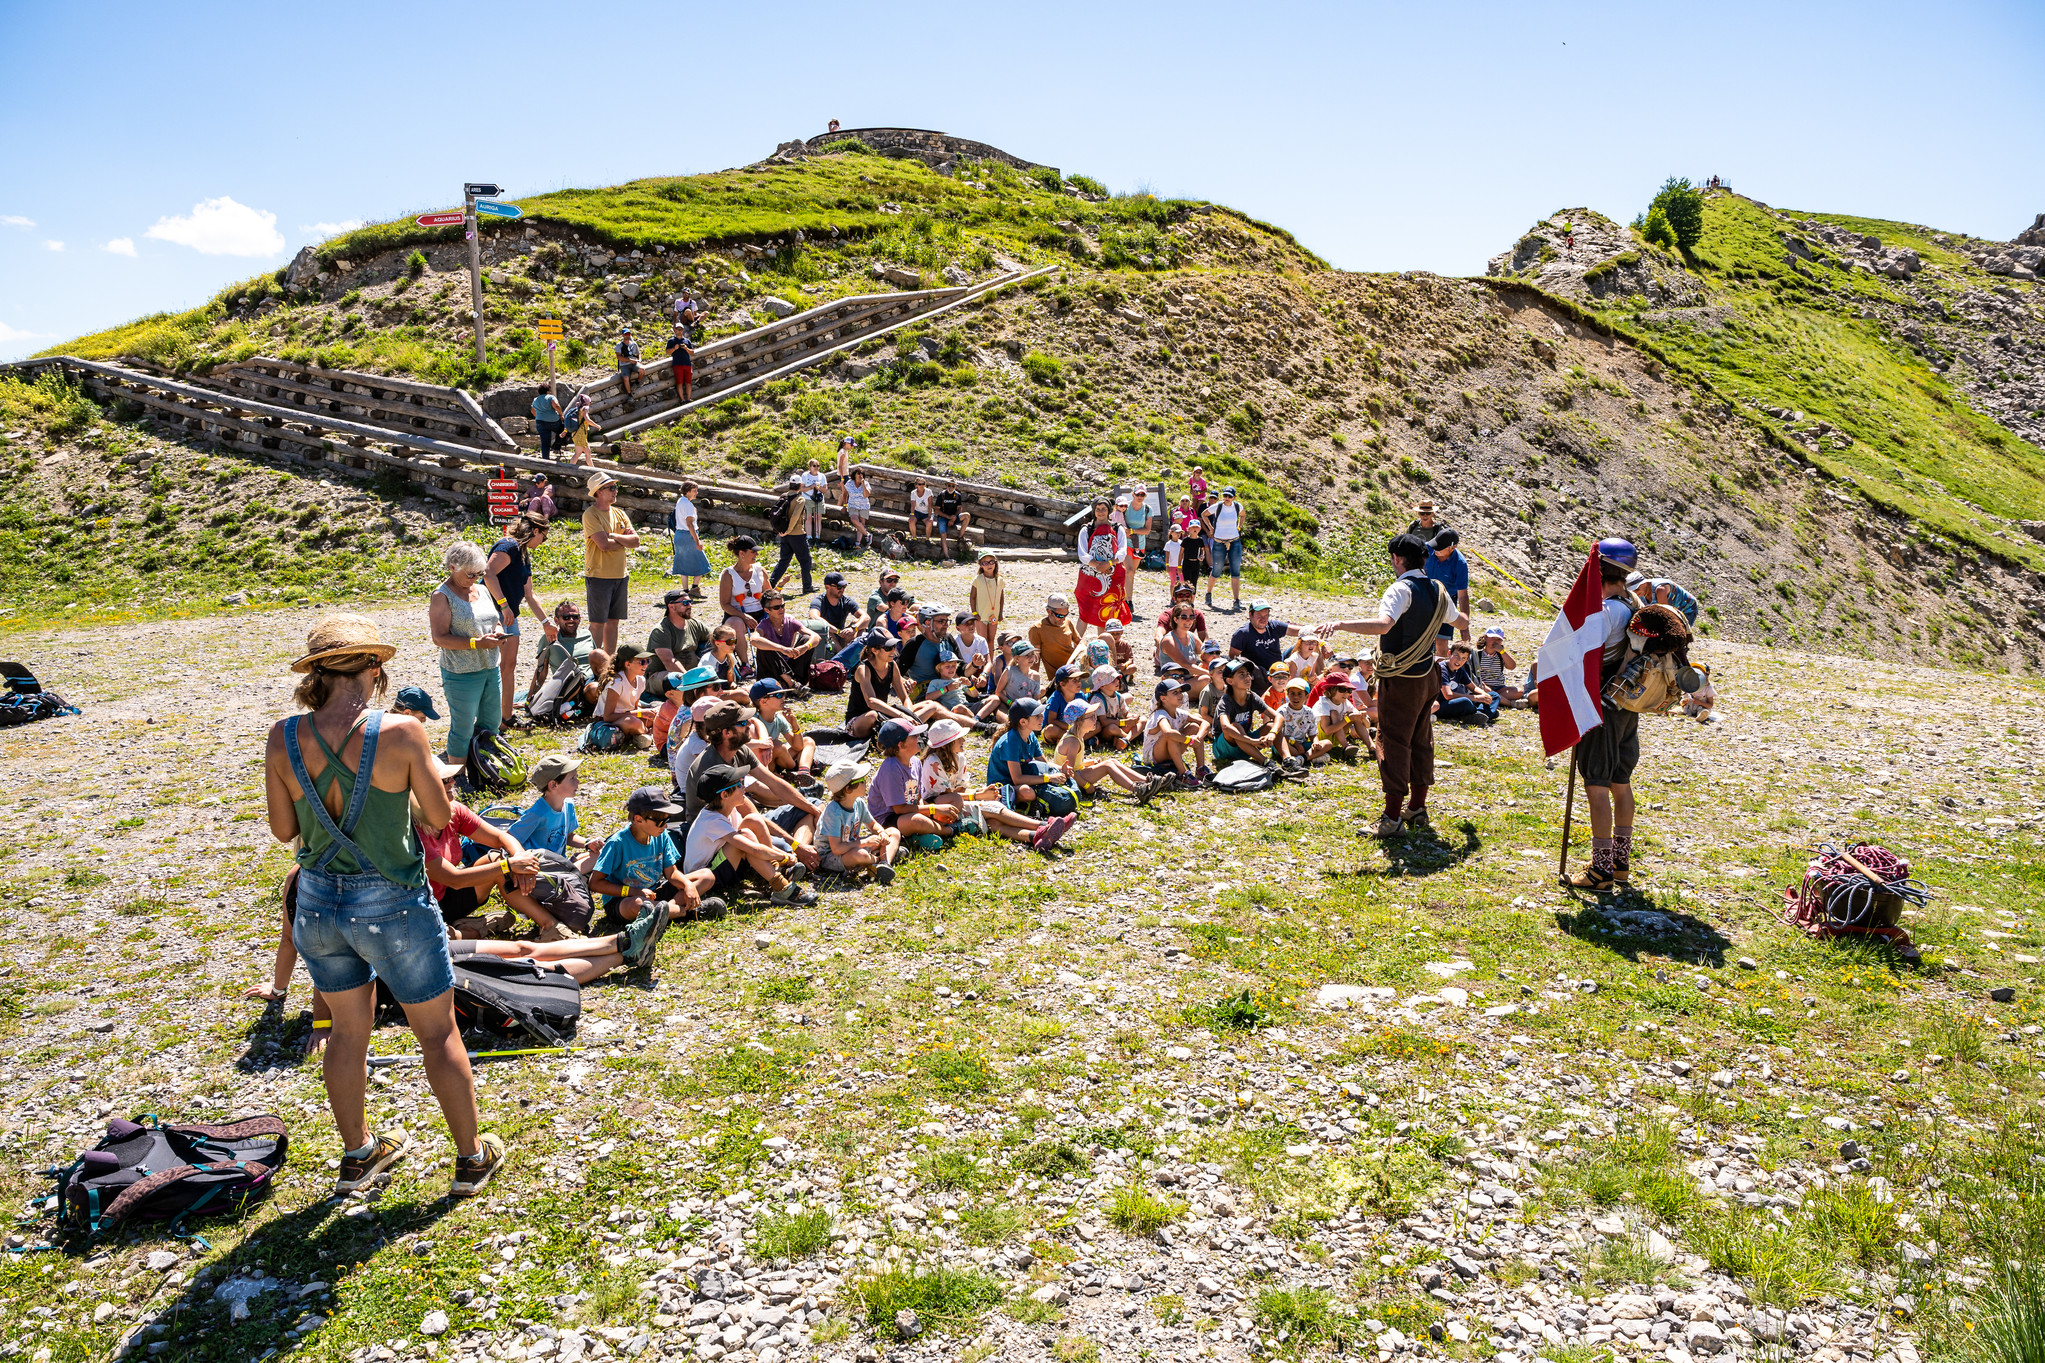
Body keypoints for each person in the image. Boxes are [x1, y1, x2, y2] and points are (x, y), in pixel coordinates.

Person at [262, 615, 506, 1198]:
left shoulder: (282, 736)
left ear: (317, 673)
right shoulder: (401, 731)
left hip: (318, 900)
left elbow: (283, 829)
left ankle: (358, 1155)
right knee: (437, 1032)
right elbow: (439, 817)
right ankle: (471, 1158)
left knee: (348, 1031)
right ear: (375, 669)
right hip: (392, 899)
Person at [1317, 533, 1464, 837]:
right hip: (1429, 675)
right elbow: (1460, 622)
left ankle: (1392, 817)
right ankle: (1417, 807)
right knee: (1422, 738)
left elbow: (1384, 625)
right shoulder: (1438, 589)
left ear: (1397, 559)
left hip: (1402, 679)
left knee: (1394, 741)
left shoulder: (1400, 589)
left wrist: (1341, 624)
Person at [1568, 539, 1649, 892]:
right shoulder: (1635, 604)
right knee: (1620, 780)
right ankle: (1619, 864)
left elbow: (1582, 652)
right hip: (1626, 703)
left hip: (1602, 702)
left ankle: (1600, 871)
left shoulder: (1607, 611)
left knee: (1596, 783)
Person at [416, 759, 550, 938]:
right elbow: (454, 879)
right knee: (447, 938)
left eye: (451, 777)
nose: (453, 782)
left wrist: (519, 857)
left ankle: (550, 926)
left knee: (496, 860)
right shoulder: (413, 833)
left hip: (448, 896)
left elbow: (500, 838)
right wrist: (510, 865)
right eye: (444, 780)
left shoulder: (454, 811)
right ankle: (469, 931)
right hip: (424, 910)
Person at [917, 718, 1069, 849]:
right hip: (940, 808)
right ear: (945, 745)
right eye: (958, 739)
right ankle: (1043, 826)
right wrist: (978, 796)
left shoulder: (959, 758)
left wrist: (981, 794)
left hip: (956, 802)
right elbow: (947, 796)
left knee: (993, 823)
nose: (963, 740)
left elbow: (961, 790)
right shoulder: (933, 763)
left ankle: (1033, 836)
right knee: (993, 807)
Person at [684, 765, 817, 905]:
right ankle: (782, 889)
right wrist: (782, 856)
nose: (744, 788)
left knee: (753, 820)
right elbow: (753, 849)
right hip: (708, 877)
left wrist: (781, 854)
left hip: (723, 863)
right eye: (739, 784)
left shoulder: (729, 809)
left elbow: (754, 843)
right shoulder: (712, 821)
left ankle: (773, 869)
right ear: (725, 795)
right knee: (746, 836)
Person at [428, 542, 506, 766]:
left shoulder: (482, 590)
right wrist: (476, 644)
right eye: (470, 574)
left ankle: (486, 767)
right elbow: (439, 638)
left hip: (490, 666)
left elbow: (495, 620)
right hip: (461, 672)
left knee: (492, 721)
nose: (474, 579)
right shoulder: (441, 596)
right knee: (462, 727)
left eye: (479, 574)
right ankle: (457, 775)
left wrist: (499, 631)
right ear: (452, 568)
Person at [591, 786, 717, 921]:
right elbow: (595, 883)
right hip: (624, 899)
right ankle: (688, 913)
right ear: (638, 819)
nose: (665, 826)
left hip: (654, 892)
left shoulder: (661, 835)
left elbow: (672, 873)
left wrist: (688, 885)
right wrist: (633, 892)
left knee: (707, 876)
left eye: (667, 820)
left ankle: (666, 911)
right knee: (638, 905)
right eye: (661, 822)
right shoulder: (617, 843)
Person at [484, 515, 549, 727]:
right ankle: (489, 717)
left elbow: (529, 594)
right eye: (544, 536)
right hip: (492, 613)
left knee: (509, 665)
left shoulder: (523, 554)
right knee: (490, 667)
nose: (543, 542)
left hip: (509, 615)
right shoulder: (508, 546)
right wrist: (503, 605)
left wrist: (546, 622)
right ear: (535, 531)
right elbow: (488, 573)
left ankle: (507, 717)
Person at [845, 630, 949, 739]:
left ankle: (904, 727)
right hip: (859, 721)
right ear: (874, 650)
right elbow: (871, 701)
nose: (893, 651)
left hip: (882, 715)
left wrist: (909, 714)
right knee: (873, 715)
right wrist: (902, 715)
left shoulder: (892, 665)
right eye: (888, 648)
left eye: (894, 646)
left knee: (930, 705)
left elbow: (904, 698)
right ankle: (902, 729)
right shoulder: (863, 669)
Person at [581, 472, 640, 657]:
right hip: (599, 575)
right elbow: (603, 545)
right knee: (598, 623)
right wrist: (623, 540)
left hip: (620, 575)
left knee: (613, 621)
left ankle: (609, 660)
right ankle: (593, 661)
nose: (615, 491)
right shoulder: (591, 514)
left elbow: (636, 541)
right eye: (611, 488)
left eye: (616, 487)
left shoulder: (620, 513)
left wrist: (613, 535)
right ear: (599, 492)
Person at [815, 760, 900, 882]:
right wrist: (865, 842)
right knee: (859, 855)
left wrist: (881, 832)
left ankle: (885, 863)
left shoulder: (858, 803)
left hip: (852, 845)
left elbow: (873, 825)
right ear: (848, 789)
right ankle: (879, 859)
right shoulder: (833, 812)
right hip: (832, 857)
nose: (866, 782)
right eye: (862, 780)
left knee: (893, 832)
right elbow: (836, 849)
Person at [506, 753, 592, 860]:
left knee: (600, 853)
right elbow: (508, 838)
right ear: (553, 785)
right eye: (572, 778)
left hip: (560, 863)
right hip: (541, 866)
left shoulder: (568, 805)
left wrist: (588, 843)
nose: (578, 781)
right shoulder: (537, 813)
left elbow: (568, 836)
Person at [1074, 498, 1132, 634]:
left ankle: (1103, 644)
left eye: (1104, 509)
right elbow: (1082, 553)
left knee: (1105, 613)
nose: (1101, 512)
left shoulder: (1118, 528)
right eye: (1098, 509)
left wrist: (1108, 563)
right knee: (1084, 612)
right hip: (1090, 577)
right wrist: (1097, 565)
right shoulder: (1086, 530)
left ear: (1109, 510)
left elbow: (1122, 552)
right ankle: (1076, 644)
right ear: (1094, 511)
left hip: (1113, 576)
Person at [646, 588, 712, 702]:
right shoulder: (661, 631)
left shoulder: (694, 624)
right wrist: (691, 681)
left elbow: (715, 639)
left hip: (689, 674)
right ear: (671, 606)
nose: (690, 605)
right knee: (675, 679)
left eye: (690, 601)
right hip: (661, 676)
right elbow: (669, 661)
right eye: (685, 603)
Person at [589, 642, 657, 751]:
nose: (646, 665)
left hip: (626, 716)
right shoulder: (617, 683)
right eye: (642, 662)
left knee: (658, 715)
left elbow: (634, 707)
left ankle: (642, 734)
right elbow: (608, 717)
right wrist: (640, 713)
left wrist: (647, 713)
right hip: (608, 722)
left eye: (647, 661)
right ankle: (647, 734)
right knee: (633, 722)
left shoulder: (641, 680)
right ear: (628, 664)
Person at [1211, 658, 1277, 768]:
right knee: (1235, 726)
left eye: (1248, 674)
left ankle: (1287, 760)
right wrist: (1251, 741)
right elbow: (1225, 727)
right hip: (1224, 750)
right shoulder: (1226, 701)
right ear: (1230, 681)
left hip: (1245, 746)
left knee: (1272, 725)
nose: (1247, 678)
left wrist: (1272, 733)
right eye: (1241, 675)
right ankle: (1265, 762)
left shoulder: (1252, 697)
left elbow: (1278, 717)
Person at [1229, 600, 1304, 694]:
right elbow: (1233, 657)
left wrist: (1316, 631)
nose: (1263, 619)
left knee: (1306, 643)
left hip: (1278, 664)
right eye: (1259, 616)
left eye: (1266, 615)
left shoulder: (1273, 626)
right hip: (1260, 673)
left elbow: (1300, 631)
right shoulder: (1243, 633)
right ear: (1250, 615)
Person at [1142, 678, 1206, 787]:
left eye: (1180, 692)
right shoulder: (1160, 714)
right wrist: (1189, 740)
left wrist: (1198, 737)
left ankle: (1201, 768)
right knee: (1171, 735)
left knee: (1194, 727)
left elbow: (1205, 723)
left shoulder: (1179, 712)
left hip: (1170, 751)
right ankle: (1183, 775)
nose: (1180, 695)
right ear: (1163, 698)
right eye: (1175, 692)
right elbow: (1168, 733)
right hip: (1154, 757)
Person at [719, 535, 767, 670]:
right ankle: (745, 665)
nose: (757, 554)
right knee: (736, 625)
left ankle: (771, 661)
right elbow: (724, 604)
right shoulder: (728, 574)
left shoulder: (760, 570)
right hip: (737, 614)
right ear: (742, 554)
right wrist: (744, 616)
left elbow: (769, 596)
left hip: (760, 612)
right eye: (753, 552)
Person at [751, 591, 817, 689]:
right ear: (767, 610)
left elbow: (816, 636)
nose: (781, 609)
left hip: (790, 668)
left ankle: (792, 683)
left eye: (782, 605)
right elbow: (753, 640)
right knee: (765, 646)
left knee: (806, 639)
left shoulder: (790, 620)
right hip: (772, 672)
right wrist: (781, 649)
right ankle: (791, 683)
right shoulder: (764, 625)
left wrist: (805, 647)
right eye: (776, 607)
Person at [751, 677, 816, 776]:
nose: (783, 698)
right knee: (776, 745)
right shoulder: (752, 721)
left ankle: (804, 772)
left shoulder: (778, 718)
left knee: (808, 741)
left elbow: (798, 746)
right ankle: (794, 769)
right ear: (763, 701)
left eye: (784, 694)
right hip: (762, 764)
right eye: (779, 695)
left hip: (778, 760)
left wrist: (794, 724)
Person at [809, 571, 869, 670]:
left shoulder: (846, 600)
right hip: (826, 640)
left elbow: (866, 617)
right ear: (827, 587)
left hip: (842, 636)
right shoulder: (819, 601)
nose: (842, 589)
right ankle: (843, 658)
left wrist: (854, 628)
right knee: (827, 630)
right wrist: (837, 631)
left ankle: (857, 658)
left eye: (844, 587)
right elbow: (814, 617)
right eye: (839, 587)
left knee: (858, 623)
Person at [1425, 529, 1472, 656]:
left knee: (1441, 643)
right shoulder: (1426, 549)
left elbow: (1462, 596)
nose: (1435, 550)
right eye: (1435, 546)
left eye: (1439, 548)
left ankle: (1441, 666)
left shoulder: (1460, 564)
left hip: (1446, 601)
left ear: (1452, 548)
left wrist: (1464, 627)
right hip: (1425, 596)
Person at [767, 479, 815, 596]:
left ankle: (769, 584)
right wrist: (788, 530)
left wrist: (783, 532)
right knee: (805, 560)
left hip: (784, 534)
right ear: (800, 486)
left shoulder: (783, 496)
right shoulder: (800, 499)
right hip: (797, 534)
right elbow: (795, 517)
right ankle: (807, 586)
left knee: (784, 561)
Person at [1202, 486, 1246, 612]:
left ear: (1234, 497)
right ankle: (1208, 593)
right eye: (1225, 496)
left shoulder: (1237, 506)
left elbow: (1243, 515)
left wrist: (1239, 527)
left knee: (1235, 571)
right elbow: (1204, 515)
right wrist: (1210, 528)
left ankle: (1236, 600)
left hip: (1234, 541)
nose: (1226, 498)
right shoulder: (1218, 506)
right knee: (1216, 570)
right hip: (1219, 542)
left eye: (1229, 496)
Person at [1274, 676, 1330, 768]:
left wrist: (1316, 742)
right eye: (1292, 693)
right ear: (1287, 695)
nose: (1296, 697)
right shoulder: (1282, 711)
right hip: (1285, 744)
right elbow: (1279, 735)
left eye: (1300, 694)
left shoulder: (1309, 712)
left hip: (1302, 744)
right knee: (1294, 751)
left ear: (1306, 696)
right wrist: (1294, 743)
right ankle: (1310, 757)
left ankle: (1301, 759)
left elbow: (1313, 733)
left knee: (1327, 743)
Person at [1436, 642, 1497, 726]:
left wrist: (1484, 694)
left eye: (1463, 658)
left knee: (1494, 695)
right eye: (1456, 656)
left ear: (1467, 660)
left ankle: (1479, 714)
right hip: (1441, 705)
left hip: (1456, 701)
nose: (1459, 661)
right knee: (1465, 702)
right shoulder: (1442, 669)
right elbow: (1448, 695)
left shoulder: (1460, 669)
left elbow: (1473, 688)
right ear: (1449, 654)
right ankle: (1486, 713)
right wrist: (1476, 698)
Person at [671, 481, 711, 598]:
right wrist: (697, 542)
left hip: (679, 535)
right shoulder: (688, 505)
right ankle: (694, 588)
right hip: (688, 536)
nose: (696, 493)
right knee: (702, 563)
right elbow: (690, 524)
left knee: (683, 563)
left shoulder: (680, 501)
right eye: (694, 491)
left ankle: (685, 590)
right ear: (687, 491)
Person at [1030, 593, 1084, 677]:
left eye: (1065, 615)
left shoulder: (1067, 622)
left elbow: (1080, 642)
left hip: (1074, 667)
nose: (1063, 619)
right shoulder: (1037, 629)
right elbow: (1036, 657)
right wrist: (1033, 680)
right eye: (1059, 616)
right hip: (1060, 675)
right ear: (1049, 611)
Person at [1473, 626, 1526, 707]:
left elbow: (1512, 666)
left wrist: (1502, 651)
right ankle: (1508, 702)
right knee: (1482, 689)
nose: (1495, 641)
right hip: (1484, 686)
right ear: (1485, 638)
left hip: (1500, 687)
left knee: (1519, 692)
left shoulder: (1501, 655)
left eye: (1498, 639)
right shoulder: (1478, 655)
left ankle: (1494, 698)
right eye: (1493, 638)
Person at [1626, 572, 1700, 626]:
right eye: (1633, 591)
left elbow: (1665, 614)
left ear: (1644, 584)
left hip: (1686, 608)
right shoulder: (1641, 592)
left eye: (1637, 589)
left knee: (1679, 634)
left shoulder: (1660, 590)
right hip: (1671, 609)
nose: (1635, 593)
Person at [934, 479, 971, 560]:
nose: (951, 487)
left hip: (953, 517)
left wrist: (953, 518)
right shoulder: (942, 495)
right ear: (946, 485)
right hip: (943, 518)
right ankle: (947, 556)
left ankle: (960, 537)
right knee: (943, 534)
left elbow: (959, 508)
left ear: (955, 487)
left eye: (953, 486)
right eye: (949, 485)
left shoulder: (957, 495)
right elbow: (936, 510)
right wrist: (948, 517)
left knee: (967, 515)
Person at [563, 391, 600, 468]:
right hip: (581, 435)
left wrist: (564, 431)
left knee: (587, 453)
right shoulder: (585, 408)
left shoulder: (577, 409)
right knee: (579, 453)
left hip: (577, 434)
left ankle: (592, 469)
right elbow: (587, 420)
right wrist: (597, 426)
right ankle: (570, 468)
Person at [970, 553, 1005, 634]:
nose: (989, 565)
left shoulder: (1000, 580)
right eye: (985, 563)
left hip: (994, 616)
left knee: (991, 639)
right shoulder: (978, 579)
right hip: (981, 617)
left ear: (995, 563)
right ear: (980, 565)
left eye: (991, 562)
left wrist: (1000, 613)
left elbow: (1001, 598)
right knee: (982, 639)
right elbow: (972, 597)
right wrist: (974, 613)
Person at [531, 384, 564, 461]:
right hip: (553, 421)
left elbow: (532, 410)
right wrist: (561, 415)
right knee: (562, 428)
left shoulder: (535, 399)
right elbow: (556, 405)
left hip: (540, 422)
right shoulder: (551, 397)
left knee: (545, 442)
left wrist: (538, 416)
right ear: (547, 391)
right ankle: (557, 446)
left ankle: (545, 460)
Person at [666, 321, 694, 405]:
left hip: (687, 364)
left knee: (688, 383)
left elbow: (692, 352)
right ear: (675, 330)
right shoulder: (671, 341)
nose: (679, 331)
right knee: (679, 383)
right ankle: (682, 400)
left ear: (683, 330)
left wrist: (686, 348)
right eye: (678, 329)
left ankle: (688, 399)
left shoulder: (687, 341)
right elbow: (667, 352)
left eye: (681, 329)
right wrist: (674, 348)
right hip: (677, 364)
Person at [801, 458, 829, 541]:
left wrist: (818, 487)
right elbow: (801, 489)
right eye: (814, 466)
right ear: (810, 467)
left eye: (818, 466)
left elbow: (825, 490)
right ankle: (809, 537)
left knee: (818, 518)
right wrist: (811, 487)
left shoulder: (822, 476)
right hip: (808, 499)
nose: (816, 467)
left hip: (819, 499)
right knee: (808, 518)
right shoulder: (805, 475)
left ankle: (817, 537)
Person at [845, 469, 873, 548]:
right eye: (858, 473)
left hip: (864, 506)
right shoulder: (849, 483)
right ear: (855, 475)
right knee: (854, 520)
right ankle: (867, 534)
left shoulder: (866, 484)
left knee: (861, 523)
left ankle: (857, 543)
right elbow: (845, 494)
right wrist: (844, 505)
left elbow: (866, 495)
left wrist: (863, 484)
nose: (860, 475)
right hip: (852, 505)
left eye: (862, 474)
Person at [615, 327, 641, 399]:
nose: (627, 335)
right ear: (622, 335)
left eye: (628, 334)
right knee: (626, 378)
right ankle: (629, 394)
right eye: (625, 334)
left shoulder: (634, 344)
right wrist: (629, 360)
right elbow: (618, 357)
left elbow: (638, 353)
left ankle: (637, 383)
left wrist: (639, 360)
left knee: (642, 370)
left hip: (634, 363)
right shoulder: (619, 345)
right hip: (624, 365)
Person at [1163, 524, 1185, 592]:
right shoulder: (1168, 544)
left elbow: (1183, 554)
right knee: (1173, 582)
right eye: (1177, 532)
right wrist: (1167, 565)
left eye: (1179, 533)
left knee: (1182, 581)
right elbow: (1167, 556)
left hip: (1180, 565)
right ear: (1171, 533)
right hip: (1171, 565)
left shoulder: (1181, 543)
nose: (1178, 534)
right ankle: (1172, 596)